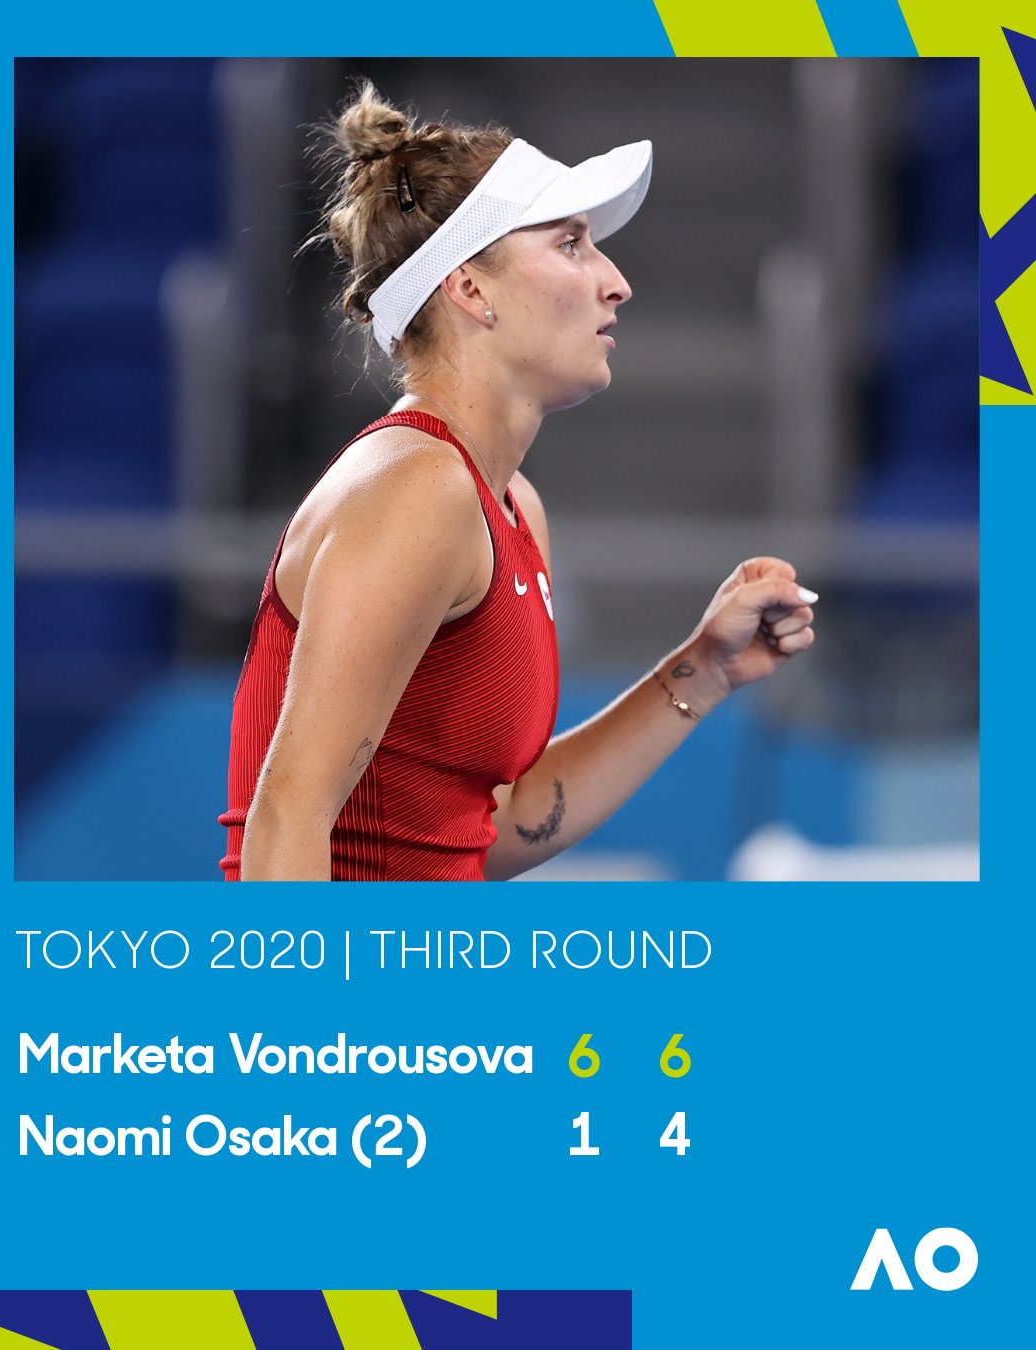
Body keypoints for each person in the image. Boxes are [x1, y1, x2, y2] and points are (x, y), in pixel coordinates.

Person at [218, 81, 817, 882]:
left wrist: (703, 667)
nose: (616, 281)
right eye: (570, 243)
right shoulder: (416, 488)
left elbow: (493, 826)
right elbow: (288, 818)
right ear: (470, 289)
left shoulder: (505, 504)